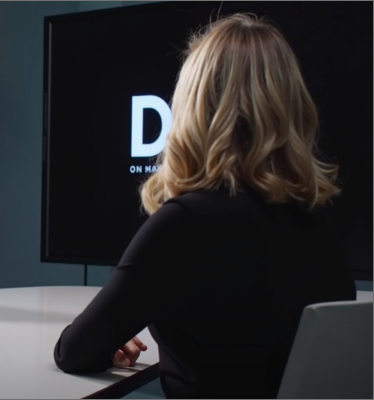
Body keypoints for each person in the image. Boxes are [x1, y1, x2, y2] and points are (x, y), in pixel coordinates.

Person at [53, 13, 356, 398]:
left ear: (193, 106)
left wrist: (107, 341)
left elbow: (73, 352)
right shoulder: (316, 225)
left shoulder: (183, 224)